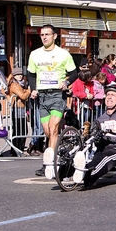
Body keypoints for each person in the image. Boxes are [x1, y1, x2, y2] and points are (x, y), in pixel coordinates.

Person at [70, 84, 116, 190]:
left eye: (113, 95)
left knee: (108, 158)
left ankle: (88, 175)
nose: (109, 97)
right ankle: (66, 170)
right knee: (95, 159)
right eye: (108, 94)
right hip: (102, 148)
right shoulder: (100, 119)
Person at [27, 24, 77, 176]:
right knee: (49, 132)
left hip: (57, 95)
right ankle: (61, 151)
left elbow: (74, 73)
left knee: (54, 128)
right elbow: (31, 74)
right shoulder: (35, 54)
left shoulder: (63, 54)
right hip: (42, 95)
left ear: (54, 36)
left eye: (47, 34)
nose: (44, 37)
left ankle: (49, 164)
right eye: (42, 35)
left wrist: (66, 83)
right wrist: (33, 88)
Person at [6, 67, 31, 156]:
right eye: (17, 75)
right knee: (20, 130)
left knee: (22, 130)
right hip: (17, 108)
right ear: (14, 75)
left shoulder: (20, 83)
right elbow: (23, 96)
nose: (20, 76)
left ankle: (18, 149)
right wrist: (29, 90)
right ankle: (17, 149)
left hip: (20, 108)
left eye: (20, 74)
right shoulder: (15, 85)